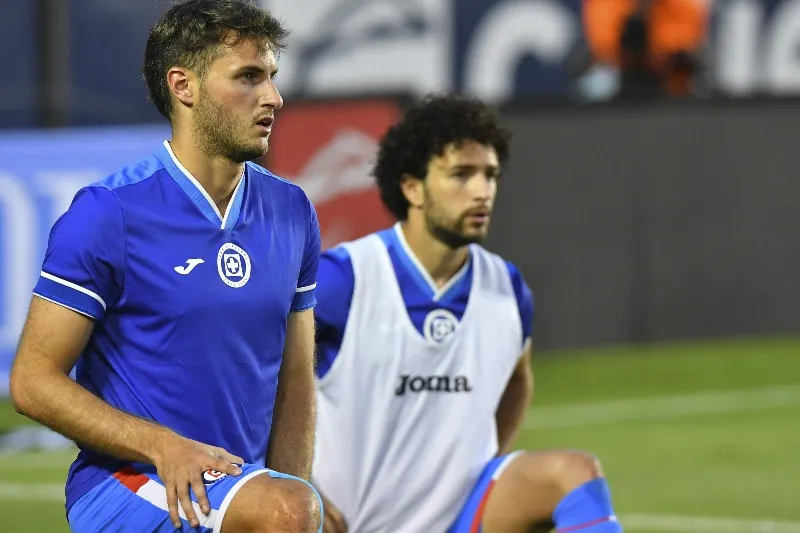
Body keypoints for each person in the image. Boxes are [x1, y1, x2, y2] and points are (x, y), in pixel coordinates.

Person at [9, 1, 323, 532]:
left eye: (271, 76)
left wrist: (289, 495)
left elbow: (296, 384)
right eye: (248, 77)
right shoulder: (110, 213)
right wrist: (162, 446)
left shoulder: (293, 211)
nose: (273, 97)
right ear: (184, 86)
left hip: (236, 491)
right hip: (129, 483)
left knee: (293, 507)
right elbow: (33, 381)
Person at [312, 94, 624, 533]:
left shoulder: (507, 289)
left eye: (490, 175)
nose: (482, 191)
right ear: (412, 187)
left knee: (573, 473)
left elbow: (518, 378)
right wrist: (302, 489)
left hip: (458, 517)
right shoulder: (342, 280)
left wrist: (483, 456)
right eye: (461, 175)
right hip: (348, 520)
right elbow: (257, 387)